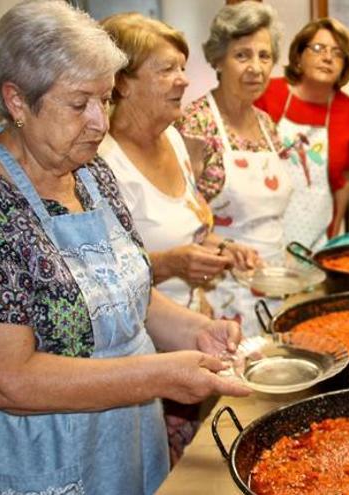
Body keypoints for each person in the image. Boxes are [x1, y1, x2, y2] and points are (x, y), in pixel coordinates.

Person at [0, 2, 249, 493]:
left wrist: (196, 332)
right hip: (46, 461)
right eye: (79, 103)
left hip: (126, 444)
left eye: (105, 101)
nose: (100, 123)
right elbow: (4, 379)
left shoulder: (90, 172)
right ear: (17, 101)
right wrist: (156, 376)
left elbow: (131, 297)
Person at [99, 12, 261, 466]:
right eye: (166, 69)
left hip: (196, 335)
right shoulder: (103, 164)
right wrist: (170, 264)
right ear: (122, 82)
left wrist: (223, 249)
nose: (183, 81)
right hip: (147, 354)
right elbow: (103, 277)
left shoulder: (171, 138)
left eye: (182, 68)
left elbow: (195, 224)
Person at [177, 1, 292, 336]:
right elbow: (183, 217)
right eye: (242, 55)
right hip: (220, 290)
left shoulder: (267, 124)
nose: (255, 68)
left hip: (273, 283)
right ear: (218, 59)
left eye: (264, 56)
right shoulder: (197, 123)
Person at [255, 18, 349, 248]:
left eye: (337, 53)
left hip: (315, 238)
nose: (327, 58)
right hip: (261, 232)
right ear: (298, 56)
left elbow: (344, 179)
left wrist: (333, 235)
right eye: (318, 48)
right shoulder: (267, 93)